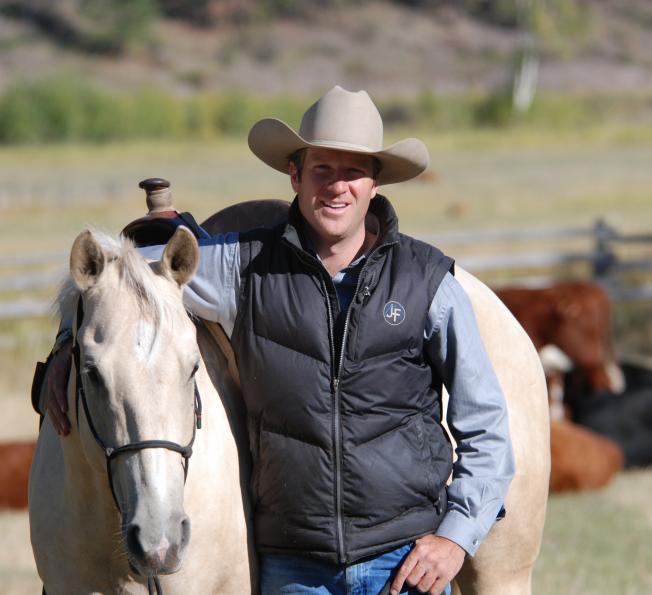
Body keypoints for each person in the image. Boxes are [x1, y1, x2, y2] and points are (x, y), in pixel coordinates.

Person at [43, 86, 515, 595]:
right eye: (322, 169)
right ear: (295, 174)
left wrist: (456, 539)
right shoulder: (244, 269)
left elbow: (485, 425)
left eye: (353, 171)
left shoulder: (428, 283)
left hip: (404, 561)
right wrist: (69, 340)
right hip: (295, 570)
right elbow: (120, 277)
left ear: (375, 182)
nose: (337, 187)